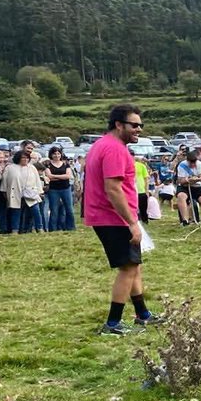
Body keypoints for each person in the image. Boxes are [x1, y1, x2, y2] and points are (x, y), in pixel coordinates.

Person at [84, 104, 160, 334]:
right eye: (134, 125)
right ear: (118, 124)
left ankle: (143, 314)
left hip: (107, 215)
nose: (139, 130)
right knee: (127, 268)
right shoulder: (115, 149)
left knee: (133, 266)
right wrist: (132, 222)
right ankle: (113, 323)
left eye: (141, 125)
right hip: (114, 217)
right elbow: (113, 189)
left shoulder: (102, 144)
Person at [2, 149, 44, 234]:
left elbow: (37, 180)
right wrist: (5, 192)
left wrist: (39, 192)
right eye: (23, 158)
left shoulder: (32, 168)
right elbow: (4, 182)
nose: (25, 160)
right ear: (18, 158)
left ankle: (39, 228)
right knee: (16, 212)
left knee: (36, 211)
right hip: (16, 193)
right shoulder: (10, 168)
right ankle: (15, 230)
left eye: (27, 158)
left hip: (31, 193)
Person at [44, 145, 76, 231]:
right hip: (53, 190)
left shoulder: (66, 164)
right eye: (54, 154)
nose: (57, 155)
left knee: (69, 209)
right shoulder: (48, 165)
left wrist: (54, 176)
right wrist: (62, 176)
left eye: (58, 154)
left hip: (66, 189)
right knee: (54, 210)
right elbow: (49, 176)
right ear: (51, 155)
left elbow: (68, 176)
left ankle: (71, 227)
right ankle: (53, 229)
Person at [133, 155, 150, 222]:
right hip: (131, 191)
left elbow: (146, 178)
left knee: (143, 208)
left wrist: (146, 190)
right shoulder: (125, 164)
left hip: (141, 190)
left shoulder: (141, 165)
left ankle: (145, 220)